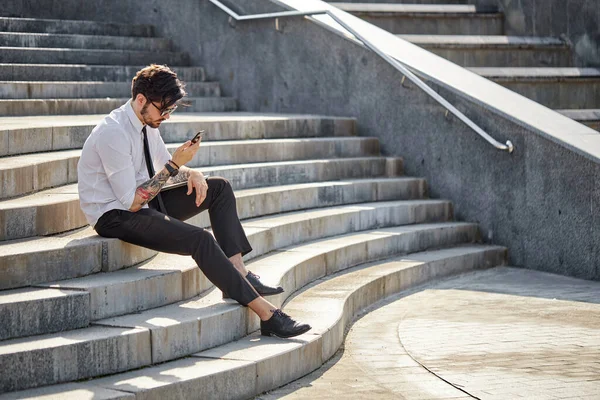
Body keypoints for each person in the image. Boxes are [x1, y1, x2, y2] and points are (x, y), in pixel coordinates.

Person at [77, 64, 311, 338]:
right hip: (116, 215)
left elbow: (164, 166)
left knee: (219, 188)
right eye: (162, 110)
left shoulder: (146, 122)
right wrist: (177, 165)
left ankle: (237, 273)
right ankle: (267, 315)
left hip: (144, 201)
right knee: (200, 239)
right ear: (141, 99)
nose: (165, 117)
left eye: (169, 111)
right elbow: (131, 201)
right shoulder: (113, 133)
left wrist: (192, 173)